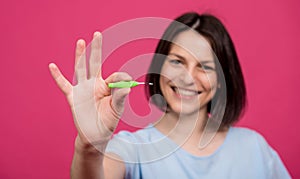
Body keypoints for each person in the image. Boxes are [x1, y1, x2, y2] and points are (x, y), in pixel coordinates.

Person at [49, 12, 291, 179]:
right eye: (177, 61)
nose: (187, 77)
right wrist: (89, 147)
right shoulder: (131, 149)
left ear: (222, 81)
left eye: (204, 67)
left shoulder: (254, 148)